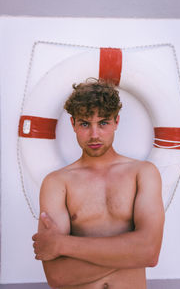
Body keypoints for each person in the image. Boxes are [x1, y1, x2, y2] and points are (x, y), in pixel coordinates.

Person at [32, 79, 165, 289]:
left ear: (116, 122)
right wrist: (130, 252)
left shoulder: (143, 173)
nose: (94, 134)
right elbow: (58, 276)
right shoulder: (57, 183)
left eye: (103, 123)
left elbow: (149, 252)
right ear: (73, 124)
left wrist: (62, 245)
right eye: (85, 124)